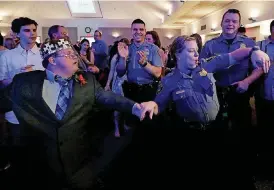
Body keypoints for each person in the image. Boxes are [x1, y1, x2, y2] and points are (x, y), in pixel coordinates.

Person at [0, 38, 158, 189]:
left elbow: (110, 98)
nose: (75, 57)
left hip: (79, 166)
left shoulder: (87, 81)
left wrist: (136, 107)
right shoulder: (24, 83)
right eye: (68, 54)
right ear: (52, 60)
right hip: (39, 167)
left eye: (74, 53)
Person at [153, 35, 269, 189]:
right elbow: (157, 106)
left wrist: (254, 51)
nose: (196, 55)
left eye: (197, 51)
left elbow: (234, 55)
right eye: (191, 51)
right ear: (178, 54)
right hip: (190, 136)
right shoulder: (168, 81)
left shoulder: (206, 65)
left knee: (220, 174)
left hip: (216, 131)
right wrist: (149, 105)